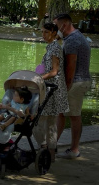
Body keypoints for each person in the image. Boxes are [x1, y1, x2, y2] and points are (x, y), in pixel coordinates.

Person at [54, 14, 91, 159]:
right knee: (61, 113)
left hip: (75, 82)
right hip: (78, 80)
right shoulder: (73, 37)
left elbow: (71, 65)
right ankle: (52, 144)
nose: (55, 30)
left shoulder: (72, 40)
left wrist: (66, 85)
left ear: (64, 25)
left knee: (74, 116)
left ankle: (74, 149)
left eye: (56, 27)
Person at [33, 23, 69, 162]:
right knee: (51, 123)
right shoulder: (53, 47)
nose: (44, 35)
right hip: (52, 87)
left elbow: (54, 71)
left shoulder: (54, 48)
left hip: (53, 89)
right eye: (42, 32)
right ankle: (50, 154)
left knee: (39, 121)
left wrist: (38, 78)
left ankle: (43, 147)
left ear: (54, 32)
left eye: (46, 32)